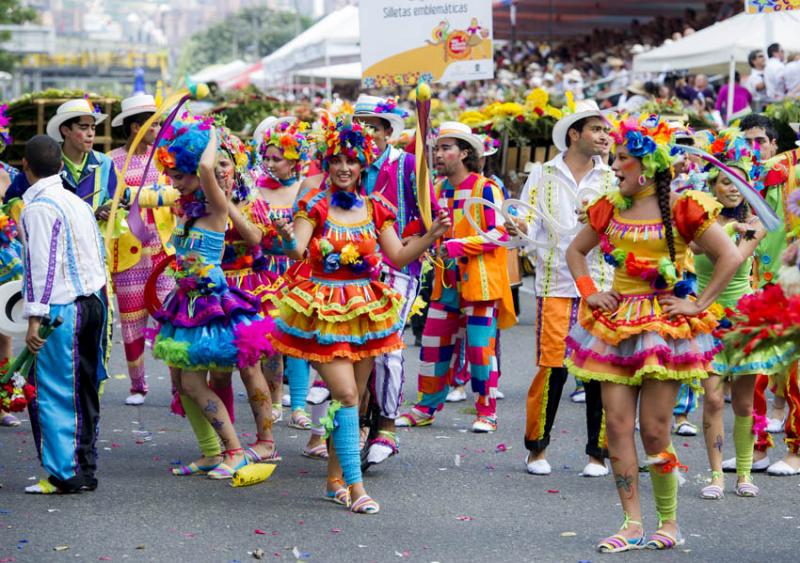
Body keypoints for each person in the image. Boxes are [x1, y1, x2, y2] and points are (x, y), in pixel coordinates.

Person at [565, 115, 742, 551]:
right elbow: (576, 250)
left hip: (664, 329)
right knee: (619, 426)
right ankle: (631, 523)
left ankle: (669, 522)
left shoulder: (684, 207)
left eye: (622, 158)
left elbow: (731, 257)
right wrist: (590, 292)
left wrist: (698, 303)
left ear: (645, 167)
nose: (614, 164)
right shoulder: (608, 205)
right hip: (616, 323)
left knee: (655, 431)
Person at [270, 112, 450, 514]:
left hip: (366, 313)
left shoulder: (376, 207)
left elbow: (399, 255)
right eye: (336, 160)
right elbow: (297, 251)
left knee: (355, 397)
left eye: (351, 160)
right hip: (324, 312)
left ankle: (335, 478)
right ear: (327, 163)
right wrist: (284, 239)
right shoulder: (313, 204)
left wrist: (432, 236)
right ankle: (357, 488)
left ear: (363, 164)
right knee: (347, 393)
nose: (344, 167)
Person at [152, 117, 274, 479]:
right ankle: (211, 452)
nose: (174, 182)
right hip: (185, 301)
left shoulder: (216, 206)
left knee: (198, 379)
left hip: (210, 303)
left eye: (180, 175)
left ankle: (235, 450)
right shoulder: (187, 209)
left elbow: (207, 166)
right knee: (182, 380)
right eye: (172, 175)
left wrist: (211, 133)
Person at [510, 100, 616, 477]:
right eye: (597, 129)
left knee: (599, 372)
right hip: (555, 283)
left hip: (601, 287)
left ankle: (597, 454)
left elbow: (620, 231)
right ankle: (536, 450)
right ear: (575, 134)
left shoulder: (611, 178)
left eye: (606, 131)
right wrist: (517, 227)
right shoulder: (543, 173)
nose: (605, 137)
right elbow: (527, 219)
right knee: (551, 369)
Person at [397, 122, 516, 434]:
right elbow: (427, 230)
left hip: (480, 285)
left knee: (479, 350)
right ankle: (425, 407)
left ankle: (486, 412)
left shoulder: (486, 188)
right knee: (433, 346)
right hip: (444, 284)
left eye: (446, 148)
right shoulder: (436, 190)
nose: (439, 153)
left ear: (465, 153)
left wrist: (457, 245)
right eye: (437, 148)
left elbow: (500, 233)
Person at [19, 135, 109, 494]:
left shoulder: (39, 208)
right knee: (83, 388)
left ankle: (65, 473)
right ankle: (83, 468)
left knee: (55, 391)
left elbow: (40, 266)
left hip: (62, 310)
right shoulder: (76, 202)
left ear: (25, 166)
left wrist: (33, 320)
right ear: (60, 166)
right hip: (93, 302)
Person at [353, 94, 432, 465]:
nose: (366, 134)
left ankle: (386, 426)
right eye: (360, 126)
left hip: (398, 267)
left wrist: (415, 241)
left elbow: (431, 217)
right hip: (349, 270)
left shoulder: (409, 165)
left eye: (373, 126)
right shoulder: (347, 166)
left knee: (386, 345)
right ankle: (352, 425)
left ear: (388, 132)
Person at [694, 128, 772, 499]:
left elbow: (734, 259)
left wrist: (732, 230)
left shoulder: (755, 224)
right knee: (711, 399)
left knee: (742, 401)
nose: (733, 187)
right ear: (712, 184)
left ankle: (742, 473)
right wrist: (724, 227)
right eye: (726, 181)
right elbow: (700, 249)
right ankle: (715, 476)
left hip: (743, 319)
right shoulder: (697, 222)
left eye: (739, 181)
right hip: (705, 318)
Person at [107, 94, 175, 406]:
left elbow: (177, 193)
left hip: (163, 251)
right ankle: (138, 386)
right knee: (132, 320)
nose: (159, 128)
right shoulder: (111, 162)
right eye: (154, 124)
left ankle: (180, 384)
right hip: (129, 254)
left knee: (171, 318)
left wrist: (141, 196)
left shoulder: (167, 159)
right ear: (136, 127)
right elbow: (111, 202)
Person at [253, 119, 314, 431]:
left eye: (277, 158)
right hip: (265, 273)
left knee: (298, 340)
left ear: (293, 161)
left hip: (295, 272)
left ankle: (300, 406)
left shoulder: (302, 188)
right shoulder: (256, 189)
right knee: (271, 343)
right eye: (268, 157)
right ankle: (276, 400)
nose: (270, 163)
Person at [5, 98, 116, 218]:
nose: (90, 134)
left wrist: (108, 210)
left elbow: (113, 200)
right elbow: (10, 203)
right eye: (84, 127)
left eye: (93, 128)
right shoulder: (46, 160)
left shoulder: (105, 164)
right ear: (65, 130)